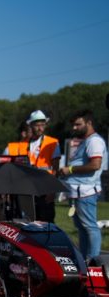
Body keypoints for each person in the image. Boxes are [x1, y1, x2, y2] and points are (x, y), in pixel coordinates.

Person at [59, 110, 107, 262]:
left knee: (89, 227)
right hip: (78, 192)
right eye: (73, 125)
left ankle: (93, 261)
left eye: (78, 124)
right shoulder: (86, 141)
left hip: (85, 192)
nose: (74, 128)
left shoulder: (94, 141)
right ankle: (85, 260)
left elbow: (95, 164)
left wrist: (70, 169)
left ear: (89, 123)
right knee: (82, 228)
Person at [25, 110, 61, 222]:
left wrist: (52, 191)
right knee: (29, 221)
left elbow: (55, 169)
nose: (40, 128)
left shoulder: (53, 142)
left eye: (43, 125)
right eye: (37, 125)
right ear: (31, 125)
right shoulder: (24, 143)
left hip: (45, 188)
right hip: (28, 188)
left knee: (47, 222)